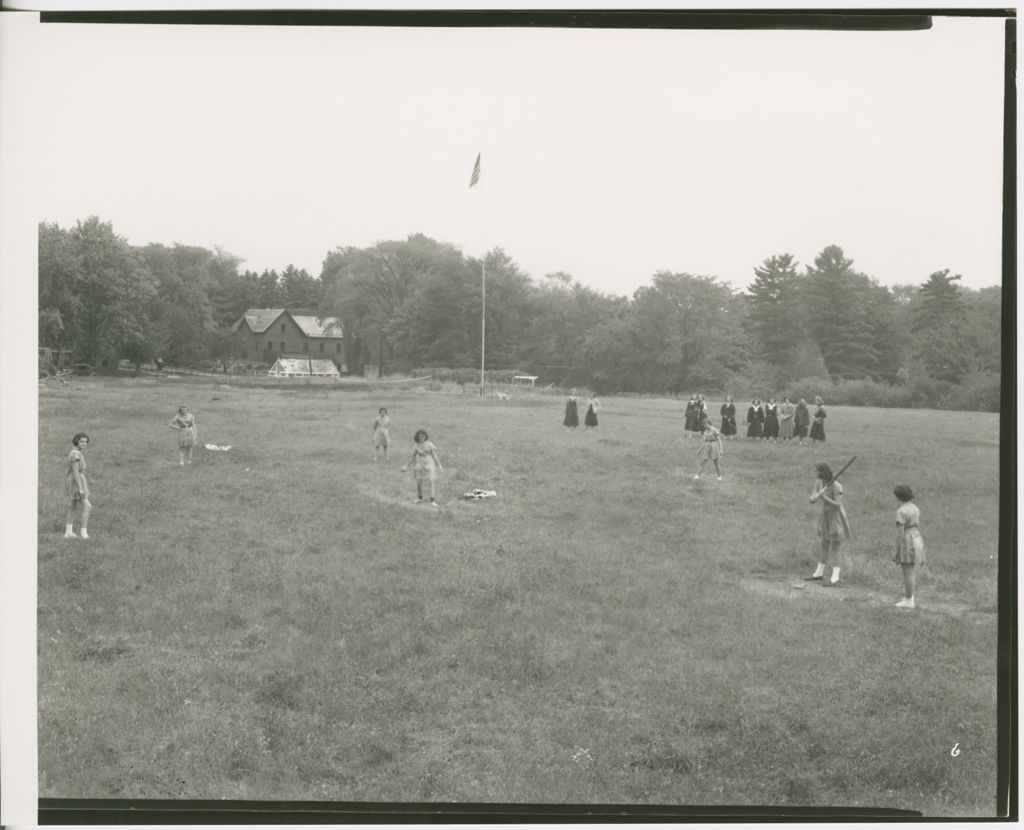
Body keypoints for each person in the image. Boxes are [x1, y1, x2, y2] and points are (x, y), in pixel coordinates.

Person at [805, 462, 852, 586]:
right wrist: (813, 498)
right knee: (824, 543)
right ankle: (818, 573)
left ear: (823, 472)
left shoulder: (837, 486)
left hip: (836, 517)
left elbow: (837, 505)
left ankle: (835, 577)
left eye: (817, 471)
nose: (815, 473)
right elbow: (813, 495)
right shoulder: (819, 482)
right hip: (825, 516)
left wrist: (823, 497)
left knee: (836, 546)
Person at [893, 484, 926, 609]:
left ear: (898, 497)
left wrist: (896, 550)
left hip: (907, 538)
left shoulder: (901, 511)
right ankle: (910, 597)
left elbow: (900, 533)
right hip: (916, 536)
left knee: (907, 572)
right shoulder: (915, 508)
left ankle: (908, 601)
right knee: (911, 571)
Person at [401, 429, 444, 506]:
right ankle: (420, 498)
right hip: (420, 464)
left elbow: (434, 455)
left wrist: (439, 465)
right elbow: (413, 457)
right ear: (417, 437)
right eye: (420, 436)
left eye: (423, 436)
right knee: (419, 482)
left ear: (425, 436)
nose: (422, 438)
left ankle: (432, 500)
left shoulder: (429, 444)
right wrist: (406, 466)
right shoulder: (416, 445)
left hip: (429, 463)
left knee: (431, 481)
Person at [64, 432, 92, 540]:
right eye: (82, 441)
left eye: (86, 442)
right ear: (76, 441)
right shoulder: (75, 454)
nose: (84, 444)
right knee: (88, 506)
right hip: (77, 480)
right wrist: (80, 487)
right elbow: (75, 471)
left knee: (73, 505)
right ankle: (83, 533)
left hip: (74, 480)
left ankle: (68, 532)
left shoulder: (75, 452)